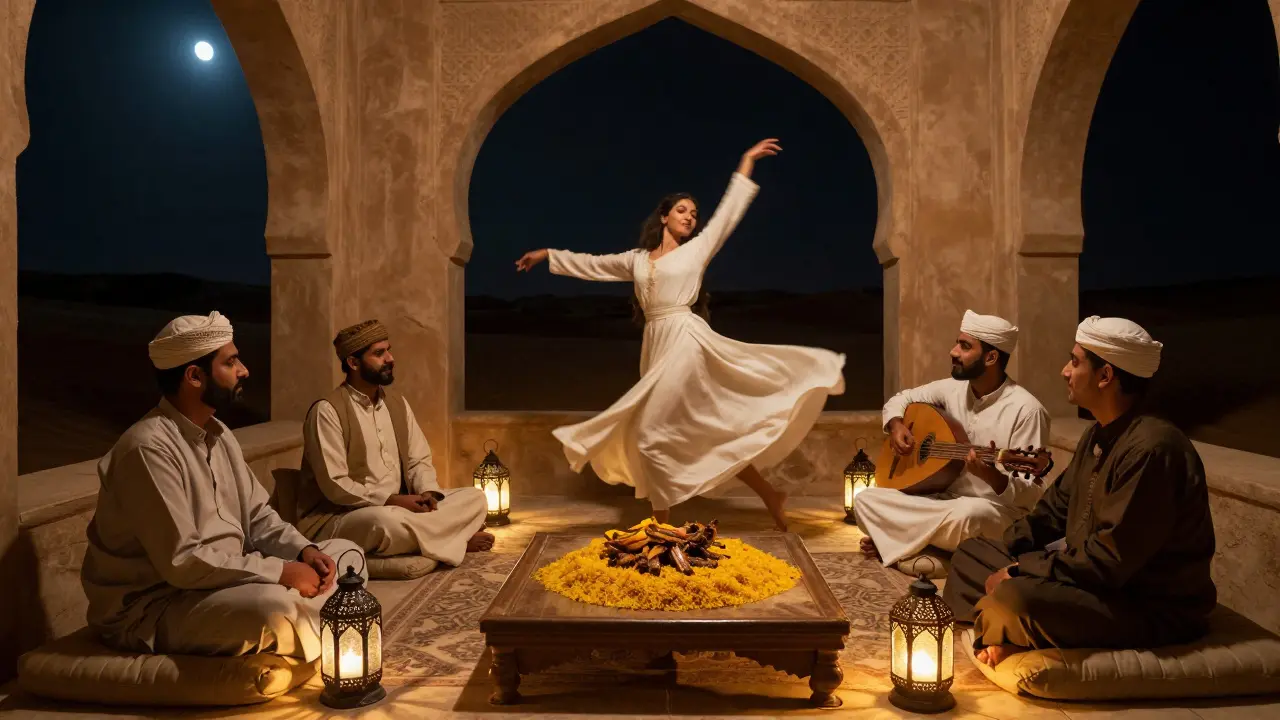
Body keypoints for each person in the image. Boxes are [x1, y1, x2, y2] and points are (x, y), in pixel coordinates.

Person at [514, 138, 845, 530]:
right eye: (682, 210)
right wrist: (547, 255)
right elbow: (591, 264)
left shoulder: (699, 249)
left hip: (686, 341)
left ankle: (660, 525)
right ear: (664, 217)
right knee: (703, 434)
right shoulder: (636, 260)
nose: (691, 217)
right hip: (656, 344)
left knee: (653, 434)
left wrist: (746, 162)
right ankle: (770, 494)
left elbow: (727, 213)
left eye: (694, 213)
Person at [81, 312, 364, 662]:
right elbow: (183, 562)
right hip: (157, 603)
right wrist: (281, 573)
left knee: (347, 556)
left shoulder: (219, 434)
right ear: (194, 376)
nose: (244, 370)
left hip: (224, 581)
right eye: (231, 362)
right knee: (273, 609)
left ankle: (315, 618)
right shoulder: (148, 449)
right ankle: (322, 625)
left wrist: (303, 552)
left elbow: (259, 516)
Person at [943, 316, 1216, 668]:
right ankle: (1007, 627)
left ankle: (1010, 627)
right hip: (1089, 583)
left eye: (1074, 362)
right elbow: (1052, 512)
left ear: (1105, 376)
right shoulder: (1097, 434)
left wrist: (1017, 572)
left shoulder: (1153, 448)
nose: (1064, 371)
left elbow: (1109, 561)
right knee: (971, 555)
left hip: (1144, 602)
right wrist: (1007, 552)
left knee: (1017, 594)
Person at [855, 310, 1051, 574]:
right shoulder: (951, 389)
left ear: (991, 357)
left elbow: (1031, 495)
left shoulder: (1026, 410)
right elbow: (900, 399)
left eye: (965, 346)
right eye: (958, 343)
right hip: (942, 500)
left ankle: (905, 545)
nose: (953, 351)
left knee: (969, 515)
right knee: (866, 499)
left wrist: (992, 476)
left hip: (993, 511)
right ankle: (927, 550)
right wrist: (897, 424)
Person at [297, 320, 492, 576]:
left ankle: (434, 542)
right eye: (379, 353)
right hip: (345, 515)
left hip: (404, 508)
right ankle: (457, 540)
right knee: (385, 522)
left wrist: (427, 493)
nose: (390, 358)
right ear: (353, 363)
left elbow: (417, 459)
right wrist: (391, 500)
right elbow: (336, 485)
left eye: (388, 350)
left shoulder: (397, 403)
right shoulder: (327, 410)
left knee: (476, 498)